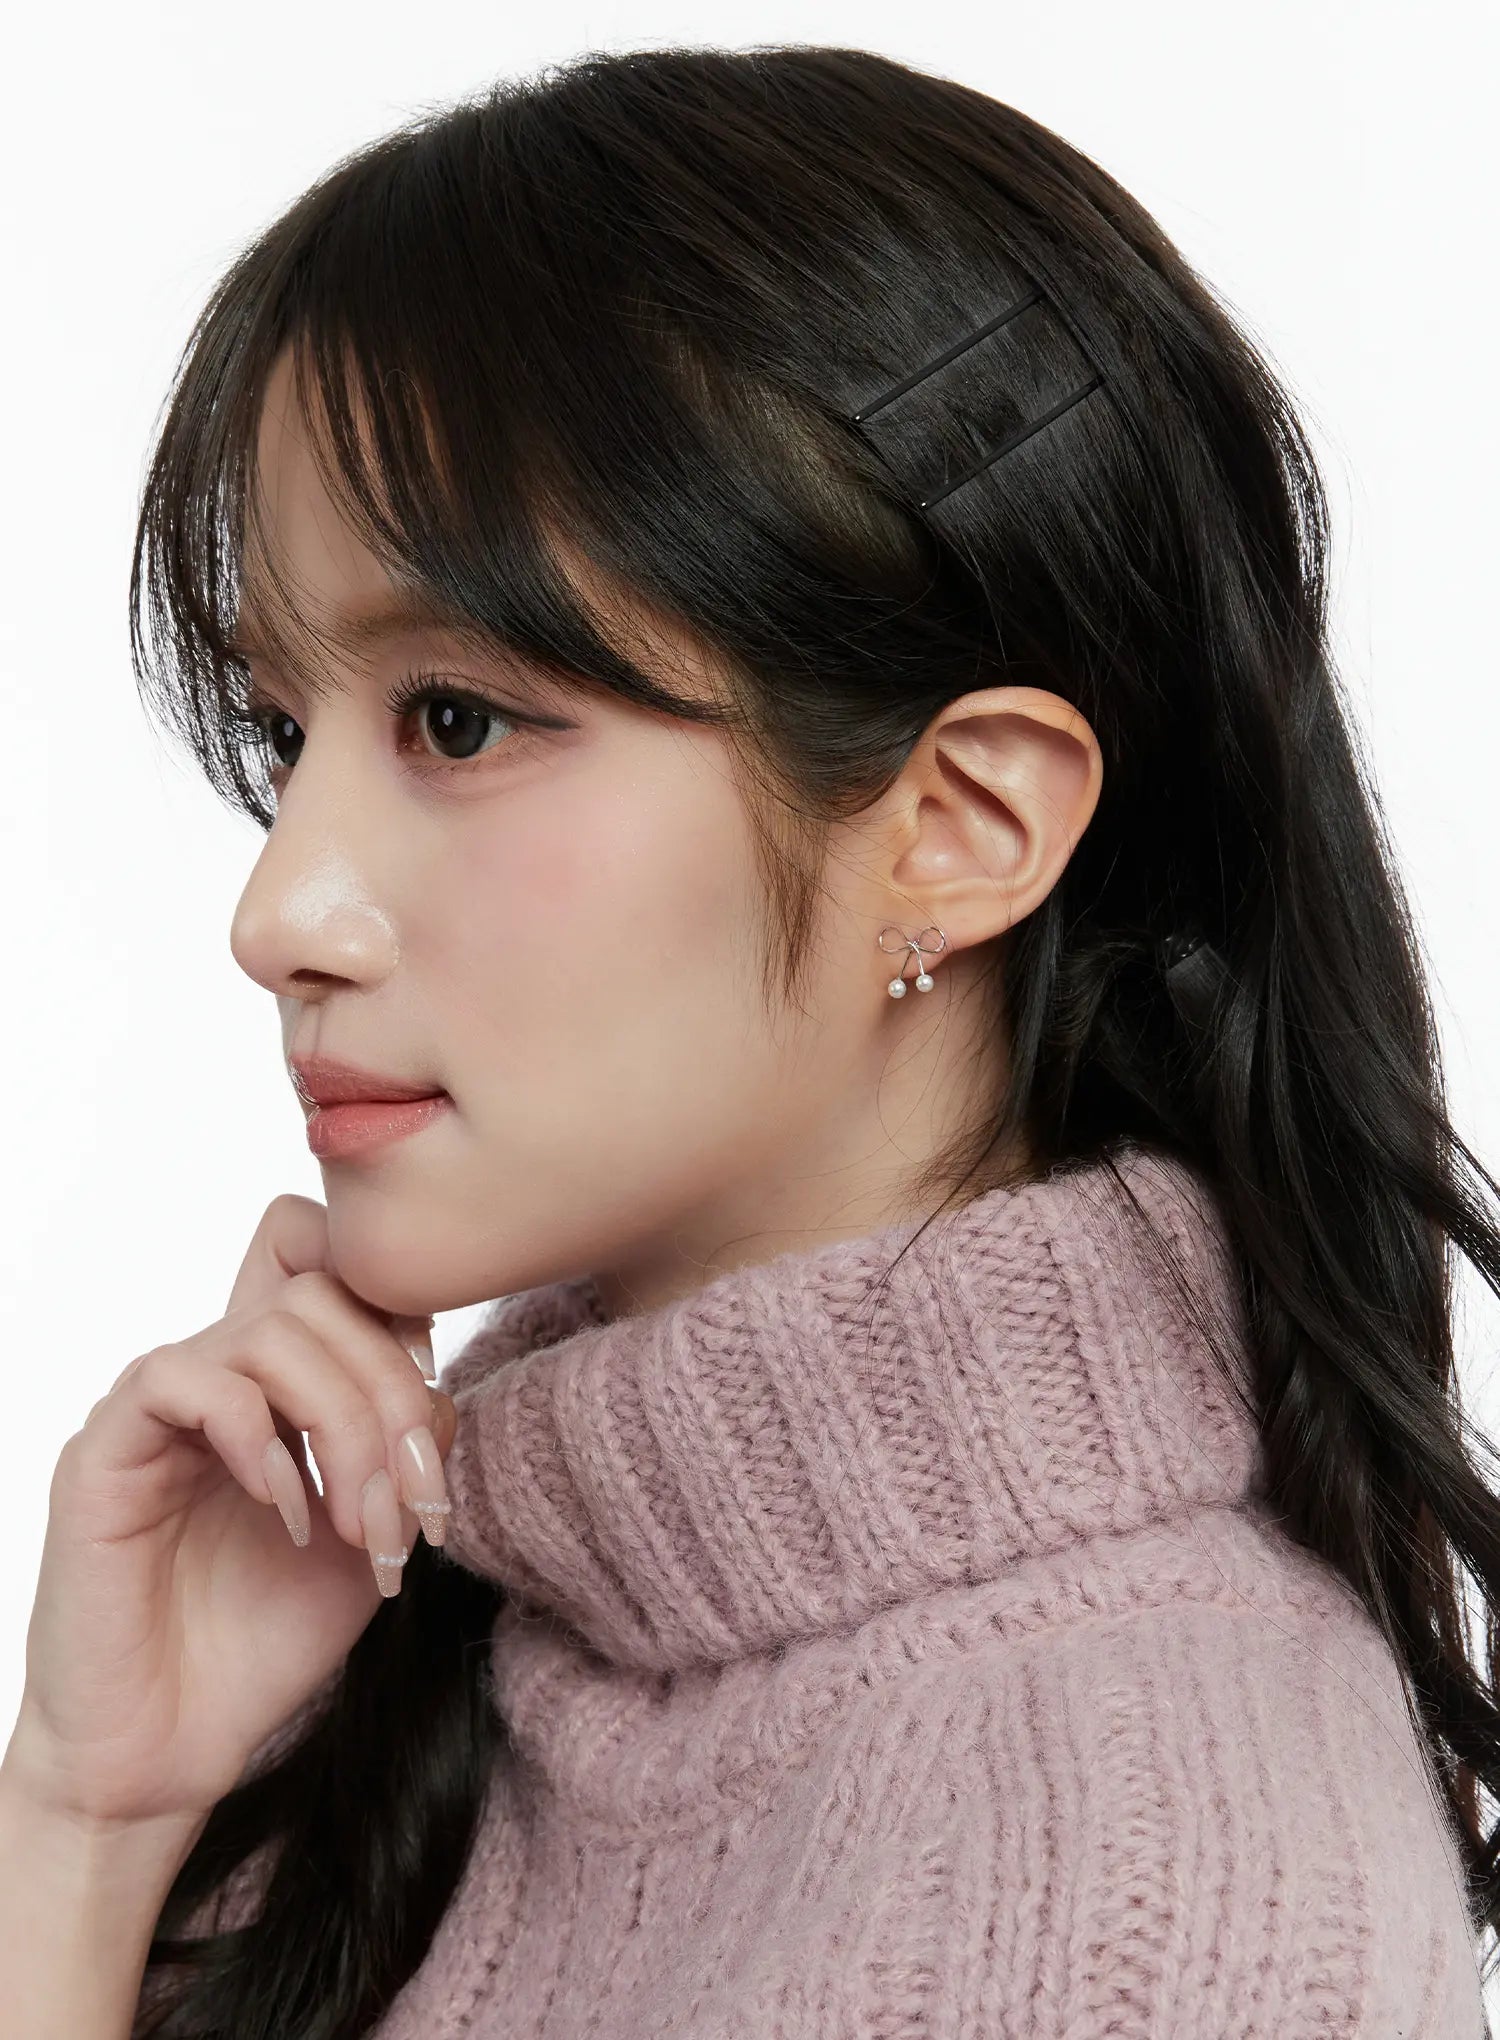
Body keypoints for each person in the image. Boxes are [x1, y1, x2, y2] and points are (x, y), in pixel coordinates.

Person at [3, 40, 1496, 2040]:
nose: (277, 915)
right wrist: (88, 1822)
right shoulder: (406, 1657)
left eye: (457, 719)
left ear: (959, 827)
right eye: (286, 732)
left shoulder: (1155, 1907)